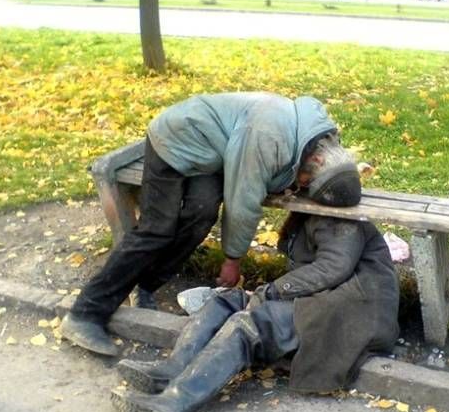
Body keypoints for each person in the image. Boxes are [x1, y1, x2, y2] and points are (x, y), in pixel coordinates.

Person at [59, 92, 362, 357]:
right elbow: (242, 201)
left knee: (201, 214)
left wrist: (294, 181)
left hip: (210, 152)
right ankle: (85, 314)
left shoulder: (320, 137)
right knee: (157, 229)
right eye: (306, 181)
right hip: (176, 138)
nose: (302, 185)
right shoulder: (267, 137)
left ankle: (146, 284)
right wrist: (232, 259)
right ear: (317, 161)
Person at [110, 206, 400, 412]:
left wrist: (272, 292)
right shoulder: (314, 209)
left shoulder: (337, 215)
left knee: (247, 325)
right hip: (327, 300)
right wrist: (265, 293)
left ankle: (172, 402)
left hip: (348, 314)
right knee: (227, 300)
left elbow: (332, 268)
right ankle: (172, 371)